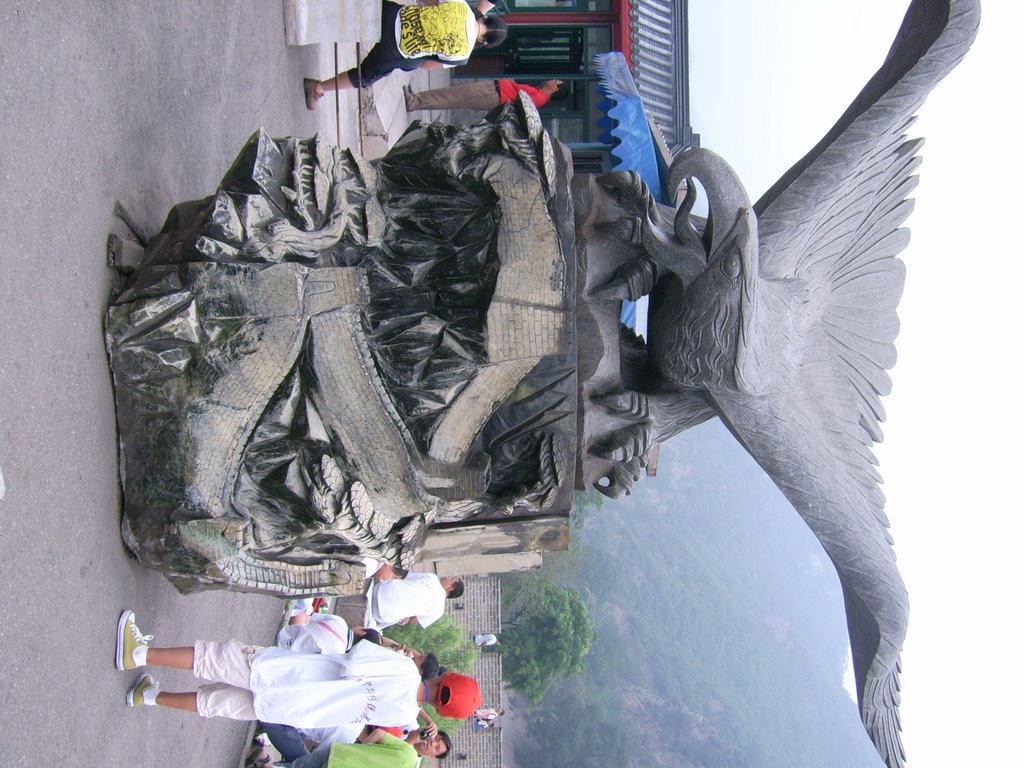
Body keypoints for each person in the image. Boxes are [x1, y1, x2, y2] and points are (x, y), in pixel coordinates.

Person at [116, 610, 482, 728]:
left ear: (445, 676)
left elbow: (355, 659)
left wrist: (384, 647)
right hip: (292, 711)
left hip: (289, 675)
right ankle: (147, 695)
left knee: (214, 658)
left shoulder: (405, 671)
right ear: (439, 709)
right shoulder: (404, 716)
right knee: (215, 703)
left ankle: (139, 653)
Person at [303, 0, 507, 109]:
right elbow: (426, 65)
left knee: (359, 12)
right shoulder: (462, 55)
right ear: (485, 42)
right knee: (365, 76)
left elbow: (427, 1)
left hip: (394, 15)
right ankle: (318, 87)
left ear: (487, 18)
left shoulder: (461, 6)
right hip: (395, 50)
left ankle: (311, 17)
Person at [281, 727, 450, 768]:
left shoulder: (409, 751)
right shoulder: (409, 754)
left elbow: (378, 733)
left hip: (343, 752)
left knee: (296, 765)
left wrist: (363, 748)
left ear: (433, 756)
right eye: (437, 739)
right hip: (341, 757)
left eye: (436, 748)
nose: (432, 743)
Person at [365, 568, 465, 630]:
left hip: (380, 591)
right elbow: (413, 620)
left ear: (450, 588)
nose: (446, 577)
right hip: (381, 615)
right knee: (402, 617)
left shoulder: (432, 578)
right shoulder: (438, 612)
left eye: (451, 579)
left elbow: (404, 576)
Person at [404, 78, 565, 112]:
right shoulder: (539, 93)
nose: (553, 80)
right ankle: (417, 98)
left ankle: (415, 102)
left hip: (493, 95)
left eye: (556, 82)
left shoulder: (539, 98)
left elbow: (518, 103)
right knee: (452, 94)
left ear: (556, 89)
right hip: (493, 90)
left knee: (453, 97)